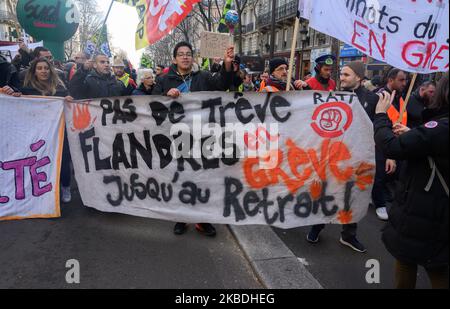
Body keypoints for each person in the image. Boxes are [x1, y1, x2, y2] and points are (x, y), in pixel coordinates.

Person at [153, 41, 239, 237]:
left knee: (203, 178)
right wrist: (166, 96)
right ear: (174, 59)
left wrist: (227, 64)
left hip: (203, 135)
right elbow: (153, 103)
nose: (185, 57)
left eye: (188, 54)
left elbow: (223, 85)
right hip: (177, 135)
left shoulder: (203, 76)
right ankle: (182, 218)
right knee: (181, 177)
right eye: (181, 54)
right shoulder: (165, 80)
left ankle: (202, 219)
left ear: (193, 57)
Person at [373, 72, 449, 289]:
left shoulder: (441, 127)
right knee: (437, 263)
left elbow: (392, 147)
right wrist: (414, 133)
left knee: (409, 258)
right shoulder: (438, 128)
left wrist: (380, 116)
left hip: (425, 207)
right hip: (438, 208)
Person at [305, 61, 378, 253]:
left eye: (346, 75)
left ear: (359, 78)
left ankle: (349, 235)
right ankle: (317, 226)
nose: (341, 78)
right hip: (333, 157)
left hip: (358, 159)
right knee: (326, 191)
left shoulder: (373, 100)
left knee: (352, 196)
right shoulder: (335, 96)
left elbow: (377, 127)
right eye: (342, 74)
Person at [5, 57, 74, 203]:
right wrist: (14, 94)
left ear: (51, 70)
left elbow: (70, 104)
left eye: (46, 68)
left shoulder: (60, 89)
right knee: (40, 160)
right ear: (34, 71)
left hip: (59, 131)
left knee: (63, 158)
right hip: (37, 133)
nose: (43, 71)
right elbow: (19, 103)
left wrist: (69, 99)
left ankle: (65, 186)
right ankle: (42, 190)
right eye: (40, 68)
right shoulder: (26, 89)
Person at [372, 68, 408, 220]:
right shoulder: (379, 97)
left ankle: (377, 195)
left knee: (390, 174)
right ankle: (379, 203)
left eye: (405, 80)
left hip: (397, 141)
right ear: (390, 80)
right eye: (401, 80)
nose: (404, 83)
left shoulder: (401, 98)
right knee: (380, 174)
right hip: (381, 142)